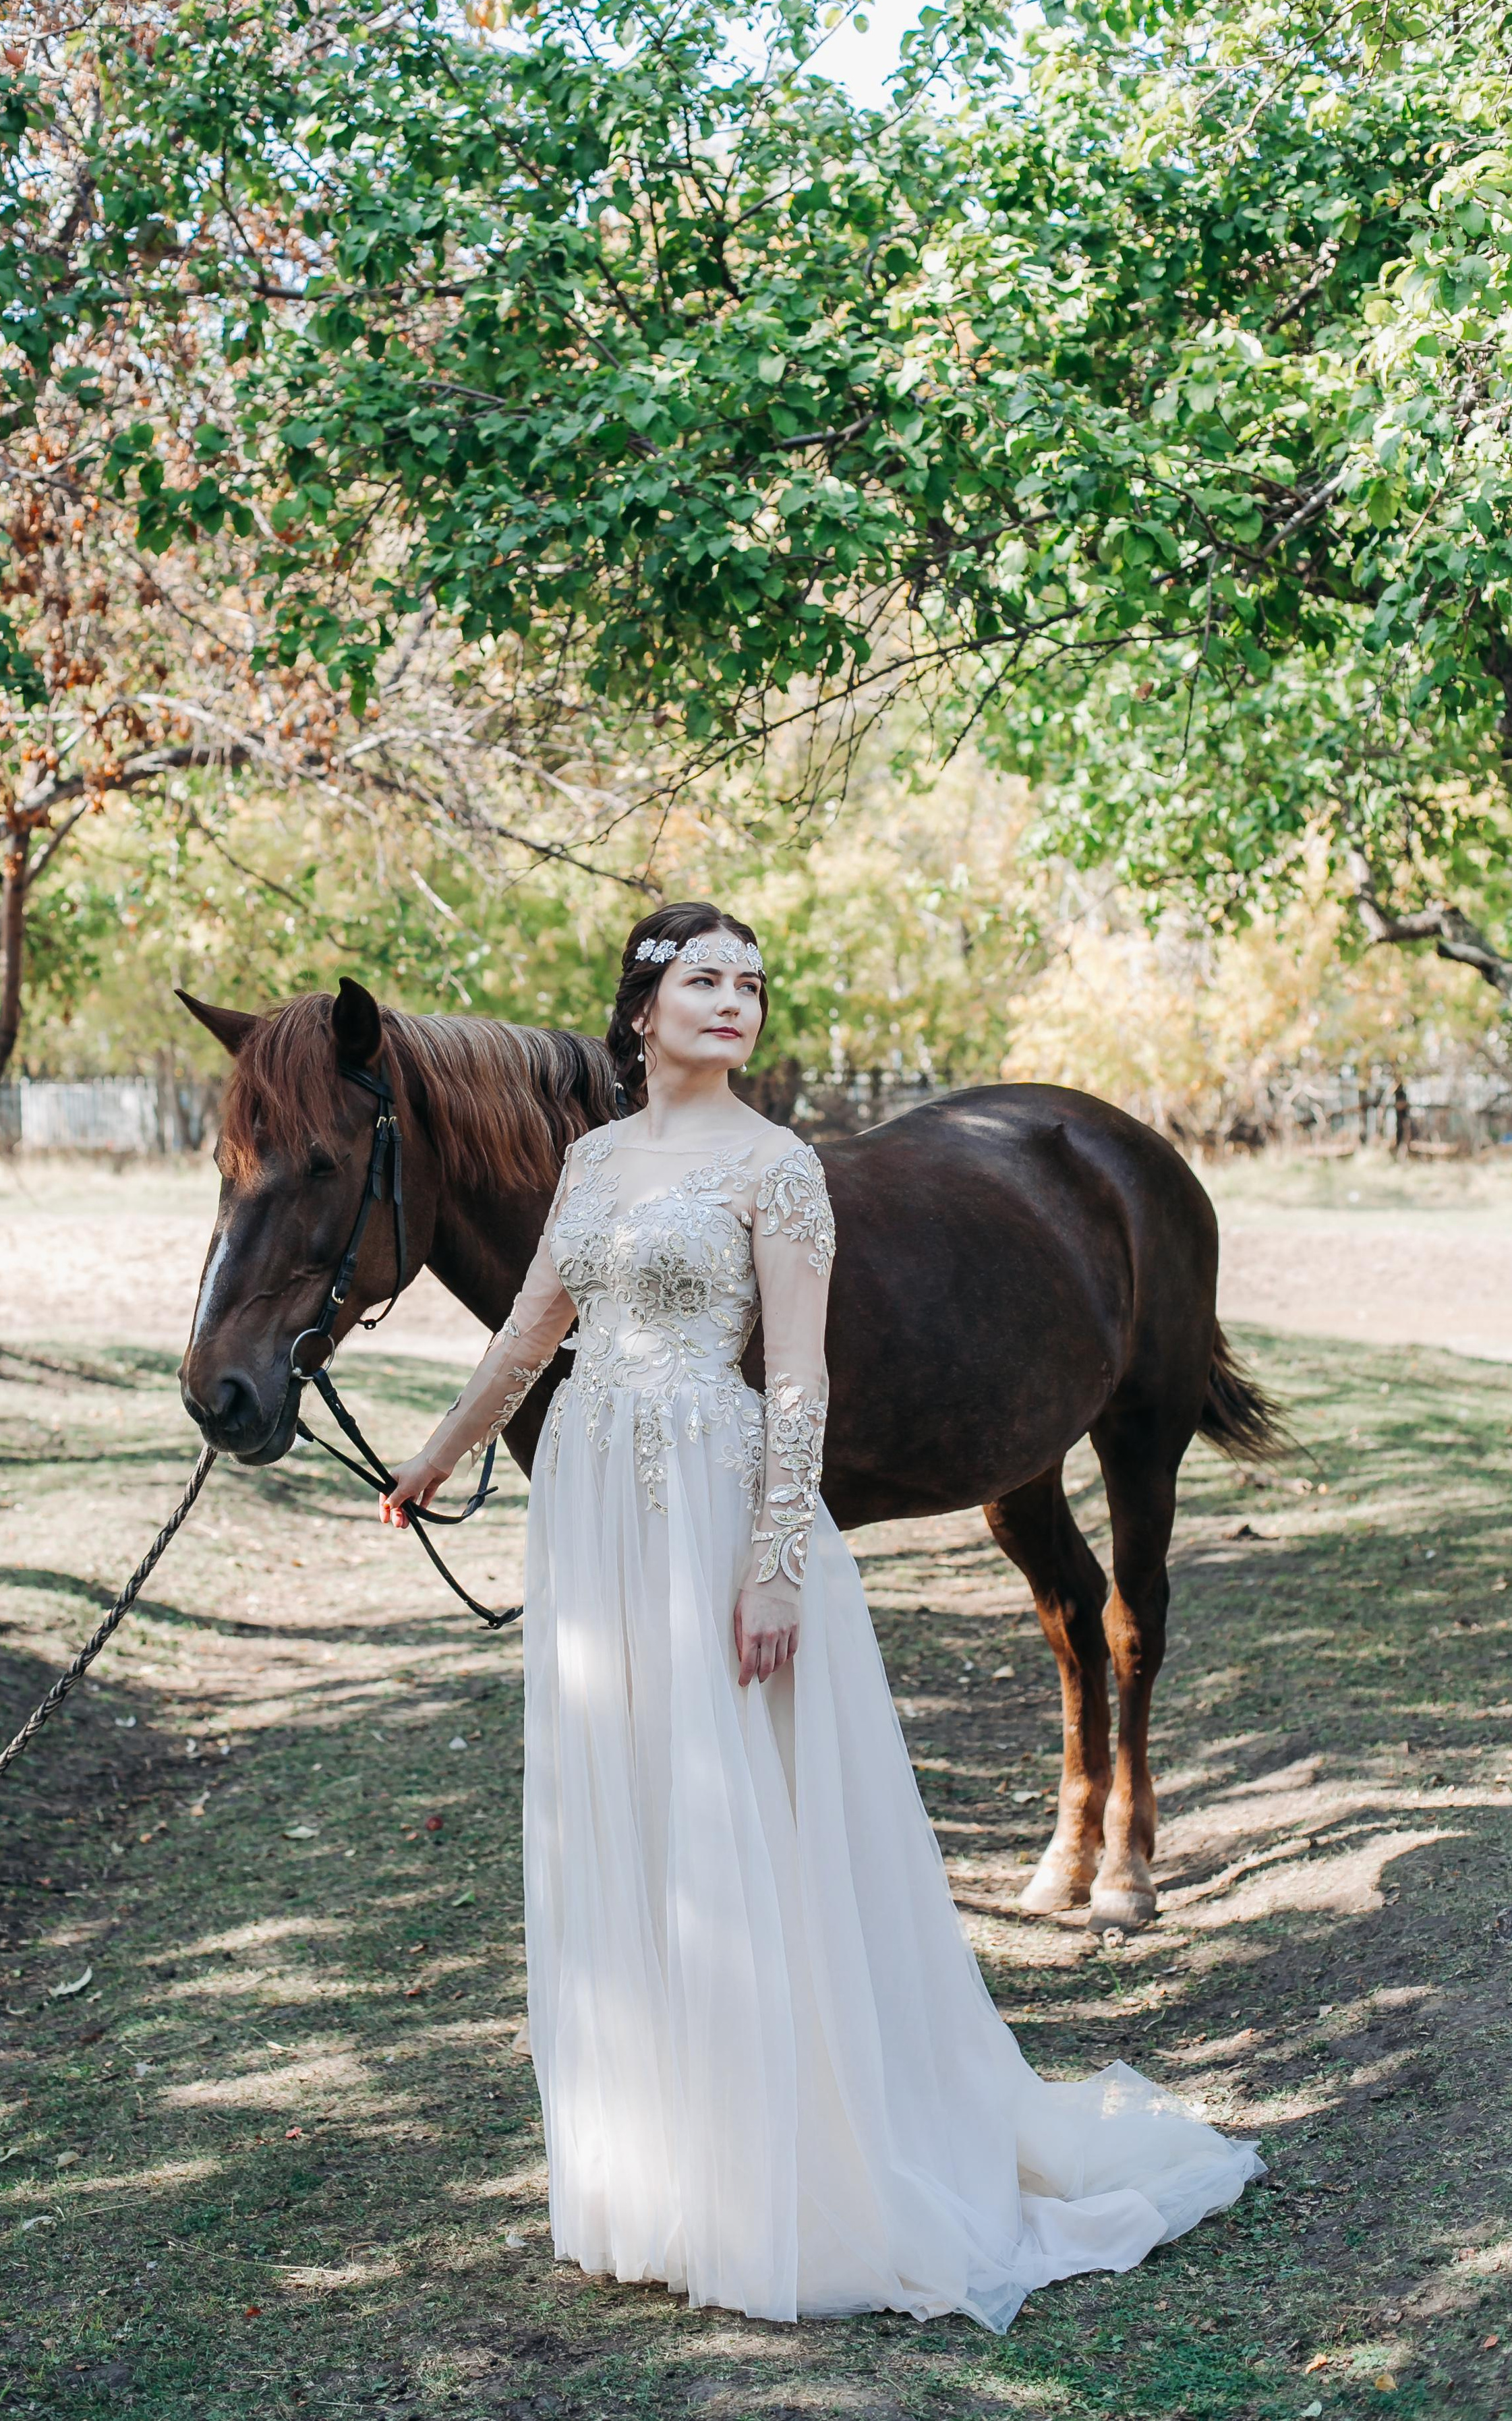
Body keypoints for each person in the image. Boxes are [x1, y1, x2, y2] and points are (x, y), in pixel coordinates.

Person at [380, 901, 1260, 2329]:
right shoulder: (594, 1160)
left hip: (717, 1500)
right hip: (598, 1508)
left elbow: (797, 1380)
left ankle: (802, 2166)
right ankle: (661, 2171)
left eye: (752, 983)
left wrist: (778, 1559)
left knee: (745, 1814)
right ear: (641, 1004)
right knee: (635, 1808)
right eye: (704, 980)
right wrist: (435, 1453)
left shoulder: (773, 1166)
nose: (734, 1001)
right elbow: (531, 1326)